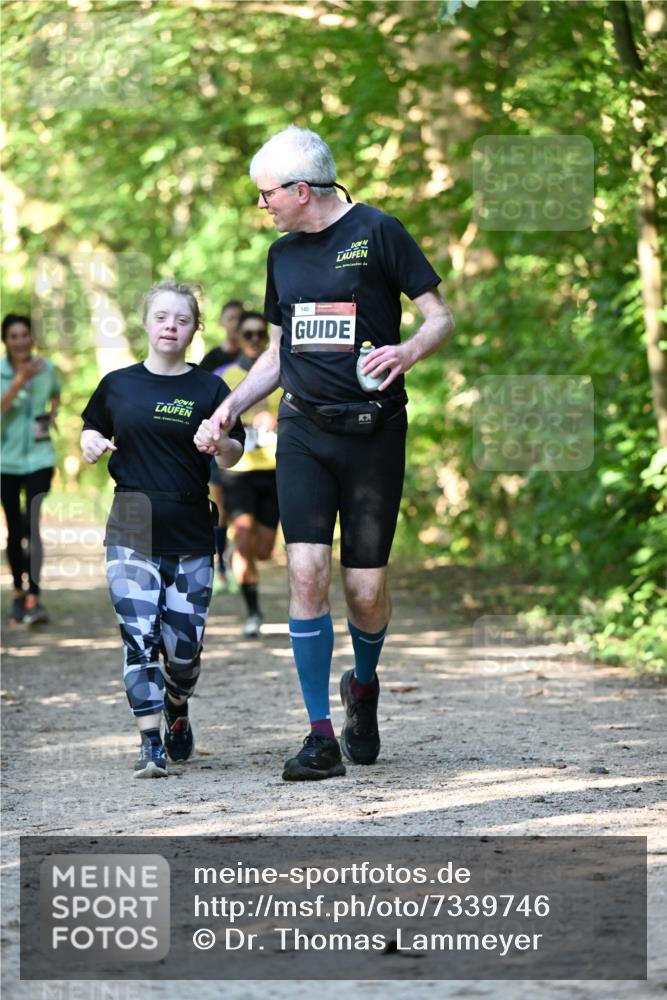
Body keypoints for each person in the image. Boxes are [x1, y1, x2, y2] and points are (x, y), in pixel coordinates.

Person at [200, 126, 455, 781]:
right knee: (307, 575)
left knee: (364, 591)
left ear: (301, 190)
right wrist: (234, 402)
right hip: (304, 432)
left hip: (373, 434)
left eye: (266, 195)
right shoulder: (282, 256)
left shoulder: (378, 232)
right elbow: (279, 352)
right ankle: (318, 736)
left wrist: (408, 351)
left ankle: (362, 688)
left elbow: (439, 318)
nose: (261, 206)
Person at [80, 280, 244, 779]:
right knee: (138, 635)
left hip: (192, 526)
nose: (171, 325)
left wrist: (219, 445)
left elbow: (238, 450)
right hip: (130, 520)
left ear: (195, 329)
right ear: (146, 323)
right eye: (162, 317)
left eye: (182, 319)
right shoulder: (118, 384)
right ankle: (149, 740)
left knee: (183, 649)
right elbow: (92, 427)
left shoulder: (211, 389)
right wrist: (88, 442)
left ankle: (177, 705)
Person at [218, 310, 282, 637]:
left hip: (275, 468)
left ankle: (238, 556)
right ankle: (253, 613)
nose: (255, 339)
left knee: (264, 550)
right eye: (249, 334)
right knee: (243, 535)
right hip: (239, 470)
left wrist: (277, 421)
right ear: (239, 339)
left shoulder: (285, 372)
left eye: (261, 333)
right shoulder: (227, 377)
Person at [1, 313, 61, 626]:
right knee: (14, 529)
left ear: (31, 337)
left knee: (32, 525)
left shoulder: (47, 368)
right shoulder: (0, 371)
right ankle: (17, 593)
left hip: (40, 457)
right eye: (14, 336)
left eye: (25, 334)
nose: (20, 340)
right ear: (6, 341)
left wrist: (52, 413)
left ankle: (35, 598)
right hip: (5, 461)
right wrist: (19, 380)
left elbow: (56, 394)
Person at [200, 300, 244, 588]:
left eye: (239, 318)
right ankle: (218, 563)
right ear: (221, 323)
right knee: (220, 506)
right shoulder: (213, 360)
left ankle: (238, 558)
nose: (235, 324)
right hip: (217, 442)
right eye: (230, 318)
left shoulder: (254, 356)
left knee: (238, 510)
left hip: (247, 443)